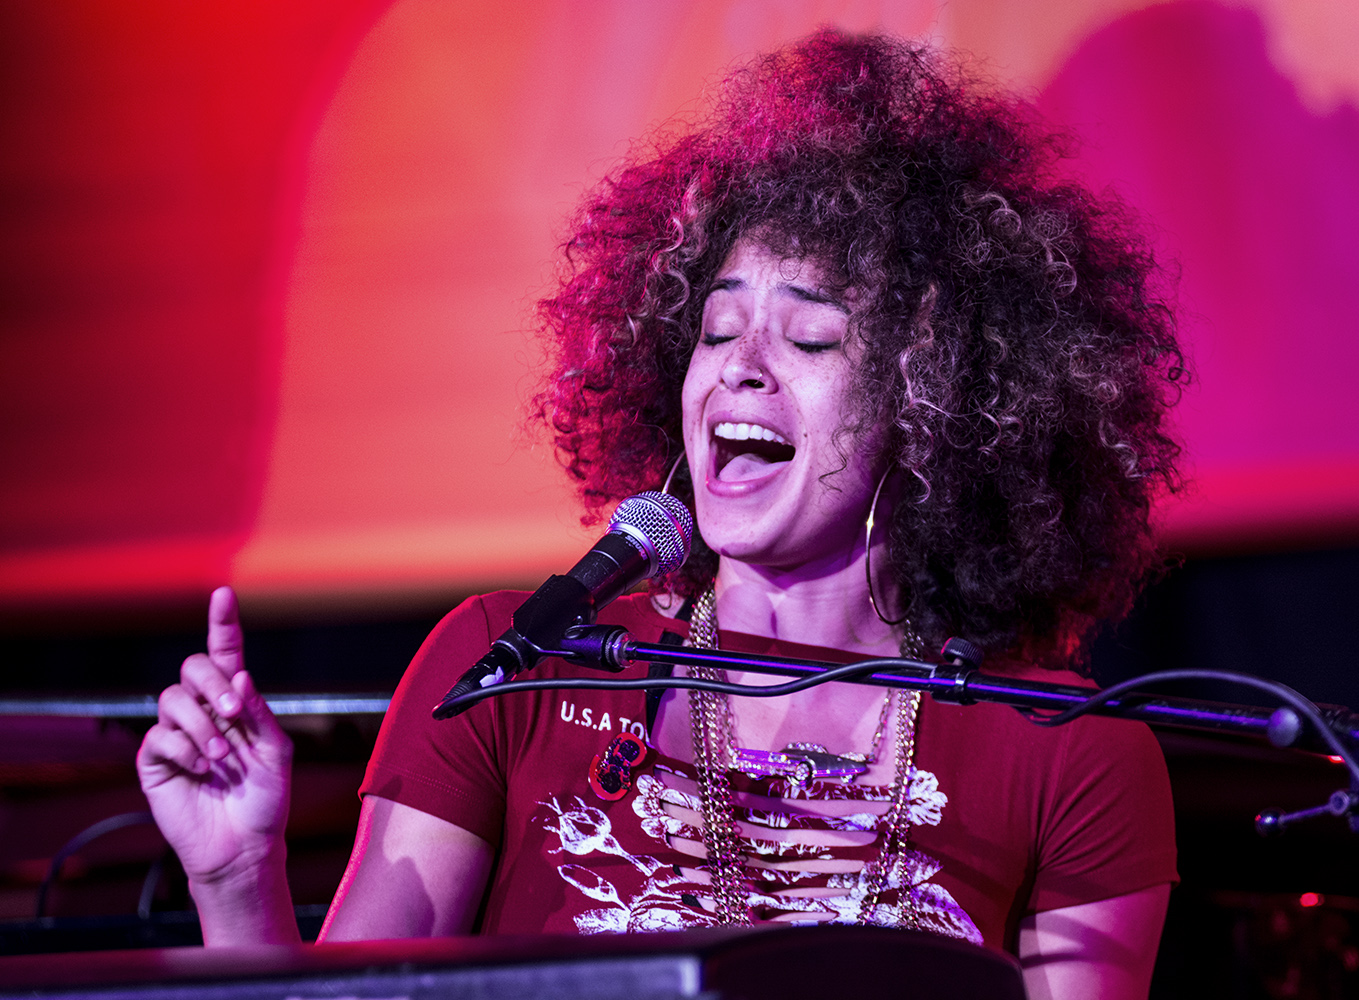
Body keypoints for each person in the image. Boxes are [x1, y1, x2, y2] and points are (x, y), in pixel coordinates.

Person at [137, 31, 1185, 999]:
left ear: (932, 397)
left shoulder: (1066, 751)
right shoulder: (518, 661)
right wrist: (236, 881)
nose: (738, 370)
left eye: (808, 340)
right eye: (717, 329)